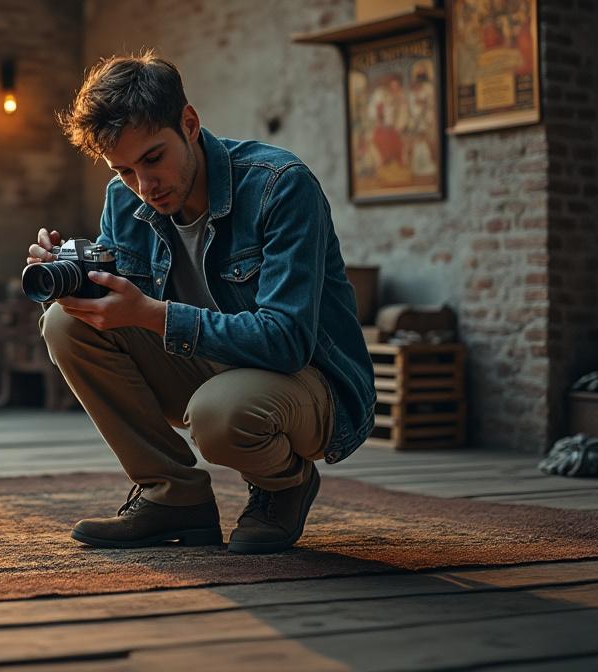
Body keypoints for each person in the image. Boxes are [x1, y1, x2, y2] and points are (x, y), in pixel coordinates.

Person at [29, 52, 375, 554]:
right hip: (208, 369)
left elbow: (287, 341)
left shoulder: (280, 186)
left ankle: (285, 485)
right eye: (123, 170)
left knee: (219, 414)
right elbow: (119, 311)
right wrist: (74, 282)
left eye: (153, 159)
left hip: (311, 383)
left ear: (189, 124)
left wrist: (152, 314)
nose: (145, 187)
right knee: (65, 322)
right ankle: (173, 495)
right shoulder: (124, 199)